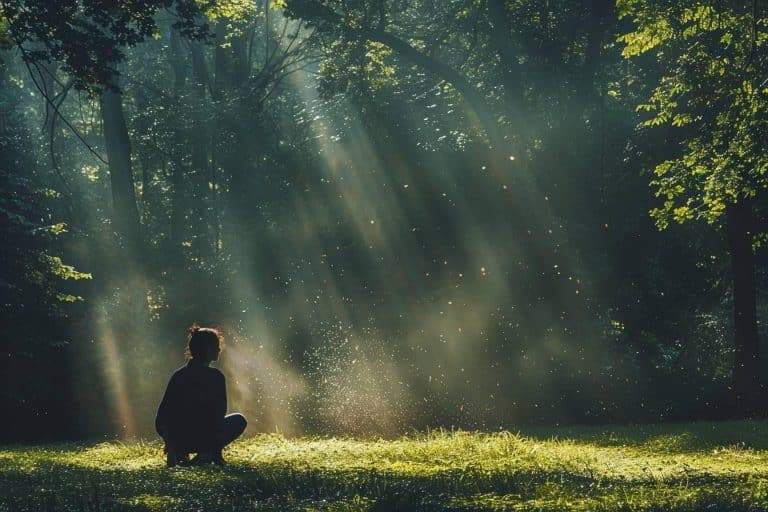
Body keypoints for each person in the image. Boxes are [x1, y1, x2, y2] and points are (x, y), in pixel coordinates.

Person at [155, 325, 247, 466]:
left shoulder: (179, 375)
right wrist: (214, 449)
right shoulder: (216, 377)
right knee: (239, 420)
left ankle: (181, 453)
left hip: (181, 439)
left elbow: (162, 416)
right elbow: (218, 415)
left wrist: (171, 442)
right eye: (216, 346)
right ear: (208, 349)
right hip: (203, 438)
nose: (219, 349)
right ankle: (208, 454)